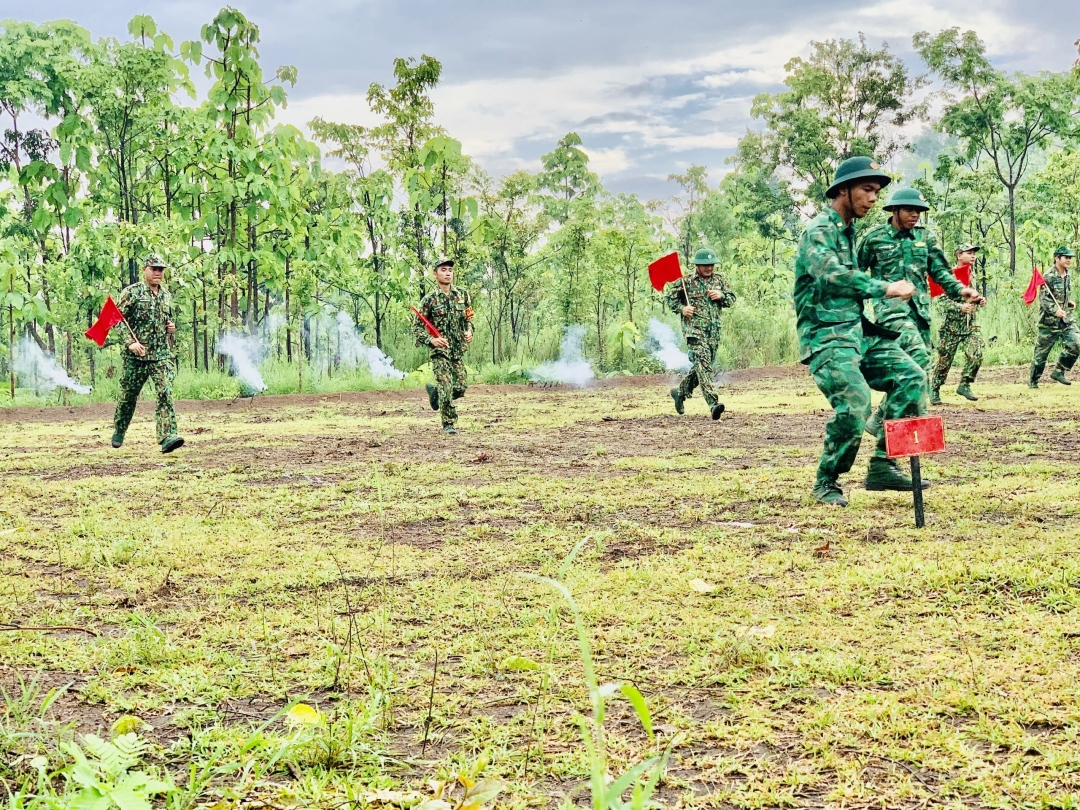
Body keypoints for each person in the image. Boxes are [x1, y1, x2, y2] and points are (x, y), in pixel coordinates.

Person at [794, 157, 927, 507]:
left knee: (911, 378)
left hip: (858, 330)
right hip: (827, 334)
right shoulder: (820, 230)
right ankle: (827, 480)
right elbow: (832, 276)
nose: (873, 198)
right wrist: (885, 288)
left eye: (876, 191)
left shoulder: (849, 231)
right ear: (843, 190)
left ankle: (883, 465)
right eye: (867, 190)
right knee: (855, 406)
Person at [857, 188, 984, 434]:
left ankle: (880, 419)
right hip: (891, 313)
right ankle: (916, 421)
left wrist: (962, 290)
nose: (915, 215)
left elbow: (941, 272)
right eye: (909, 210)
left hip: (921, 314)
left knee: (917, 368)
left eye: (918, 211)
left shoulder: (926, 238)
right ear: (895, 210)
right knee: (919, 356)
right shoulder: (874, 238)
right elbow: (855, 276)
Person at [112, 255, 184, 453]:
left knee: (165, 392)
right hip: (136, 357)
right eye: (154, 269)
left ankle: (167, 436)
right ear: (145, 269)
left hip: (160, 355)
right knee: (128, 396)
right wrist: (130, 343)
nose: (158, 273)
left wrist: (170, 327)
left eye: (161, 269)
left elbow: (166, 320)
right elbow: (117, 319)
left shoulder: (166, 295)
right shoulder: (132, 293)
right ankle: (120, 428)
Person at [665, 247, 737, 420]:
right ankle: (713, 404)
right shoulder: (686, 281)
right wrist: (683, 309)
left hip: (713, 332)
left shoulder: (719, 280)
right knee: (704, 365)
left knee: (703, 367)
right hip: (694, 332)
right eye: (705, 265)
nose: (709, 268)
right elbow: (670, 299)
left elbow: (731, 298)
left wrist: (721, 296)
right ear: (697, 265)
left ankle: (680, 392)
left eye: (711, 265)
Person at [414, 258, 474, 434]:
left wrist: (469, 332)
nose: (448, 273)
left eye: (450, 270)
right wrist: (431, 340)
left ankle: (435, 394)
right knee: (447, 386)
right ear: (435, 273)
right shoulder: (429, 300)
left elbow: (469, 320)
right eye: (443, 270)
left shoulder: (463, 295)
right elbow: (417, 327)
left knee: (460, 387)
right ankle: (449, 423)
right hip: (440, 351)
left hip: (457, 349)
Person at [930, 244, 985, 403]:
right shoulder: (949, 276)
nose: (973, 256)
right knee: (944, 361)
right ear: (959, 255)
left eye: (974, 253)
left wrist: (979, 300)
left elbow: (971, 297)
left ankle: (965, 384)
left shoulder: (972, 275)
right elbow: (940, 302)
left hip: (970, 325)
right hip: (951, 327)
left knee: (977, 353)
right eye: (969, 253)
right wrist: (960, 307)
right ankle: (934, 388)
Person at [1030, 246, 1079, 388]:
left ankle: (1059, 371)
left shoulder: (1068, 275)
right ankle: (1033, 381)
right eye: (1066, 257)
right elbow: (1045, 299)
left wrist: (1067, 303)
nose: (1069, 260)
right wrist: (1055, 310)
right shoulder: (1048, 276)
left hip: (1066, 319)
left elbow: (1061, 295)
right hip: (1049, 322)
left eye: (1070, 257)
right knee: (1041, 354)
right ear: (1057, 258)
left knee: (1076, 343)